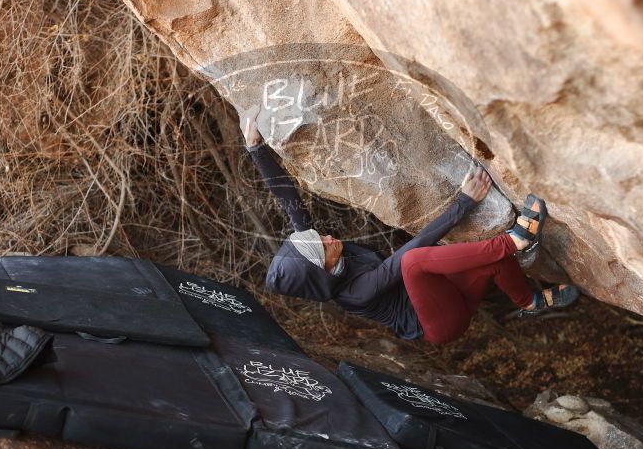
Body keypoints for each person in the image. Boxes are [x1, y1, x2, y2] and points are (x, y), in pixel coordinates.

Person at [242, 106, 579, 344]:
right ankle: (515, 241)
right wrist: (464, 202)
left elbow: (291, 203)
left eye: (320, 237)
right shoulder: (355, 294)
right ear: (320, 272)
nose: (328, 237)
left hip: (445, 294)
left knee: (488, 260)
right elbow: (410, 254)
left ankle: (528, 302)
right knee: (413, 262)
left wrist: (255, 149)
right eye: (322, 247)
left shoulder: (332, 258)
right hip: (441, 323)